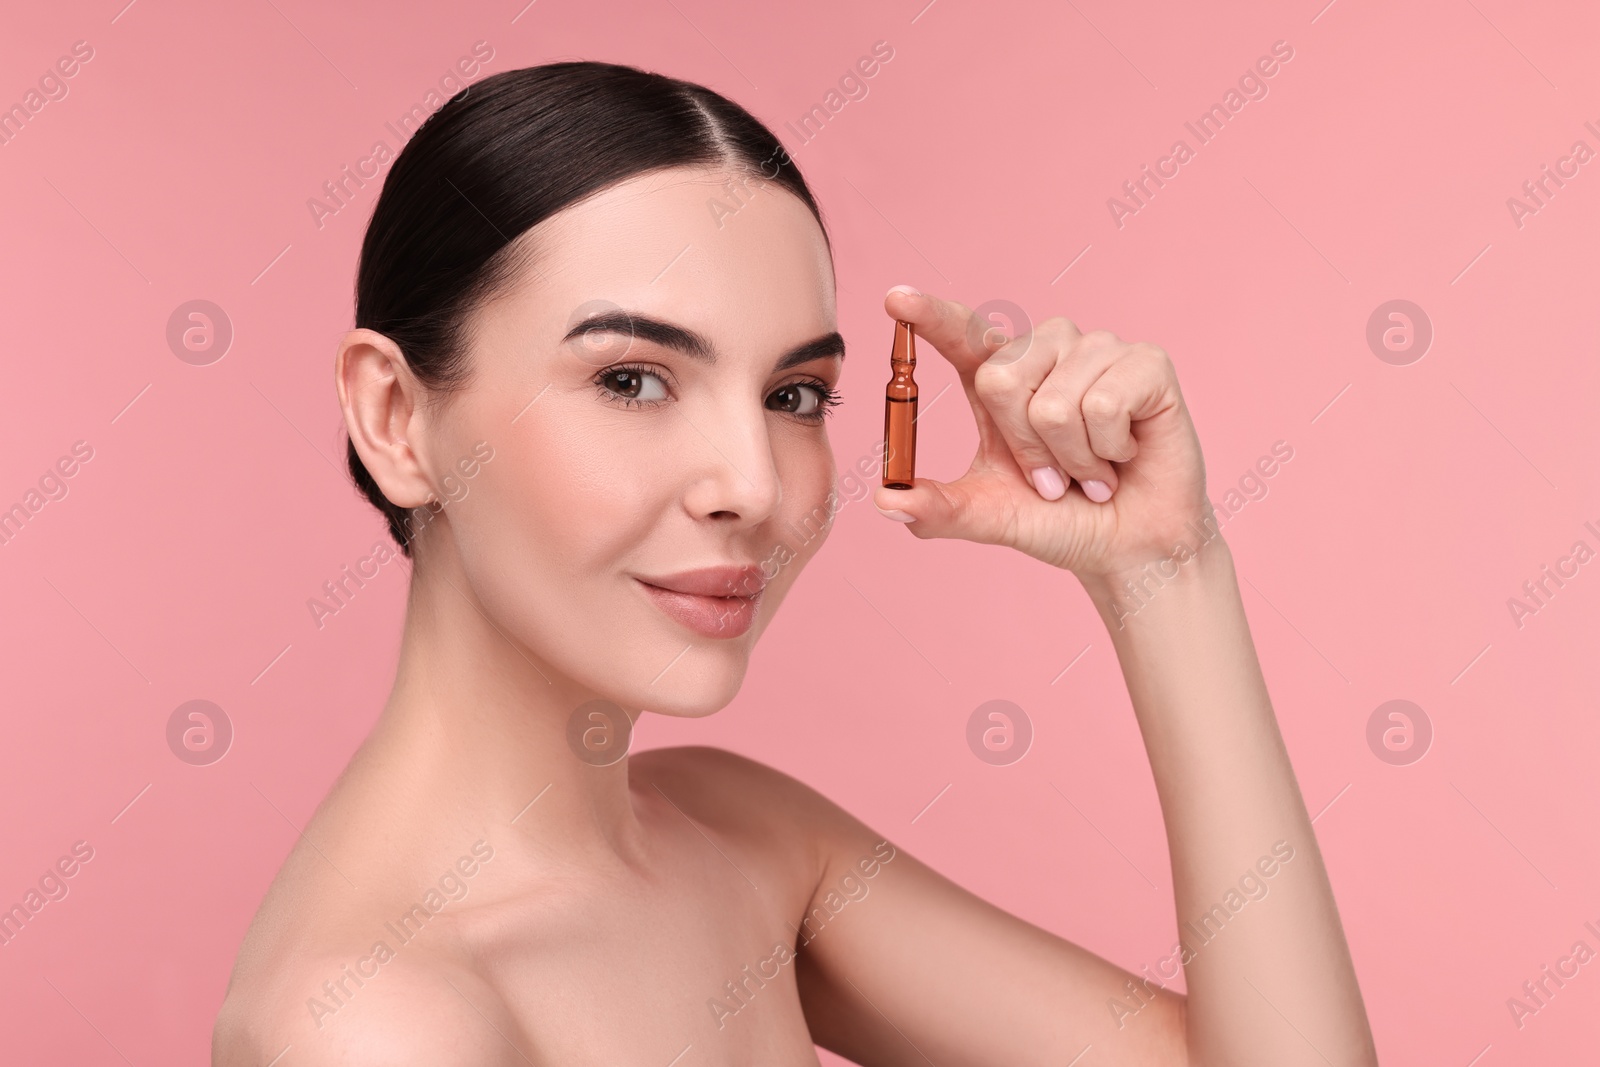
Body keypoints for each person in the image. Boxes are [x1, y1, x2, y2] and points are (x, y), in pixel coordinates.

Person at [213, 61, 1378, 1066]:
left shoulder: (745, 840)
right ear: (394, 417)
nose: (756, 486)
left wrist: (1165, 570)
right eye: (631, 378)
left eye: (793, 396)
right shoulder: (379, 1023)